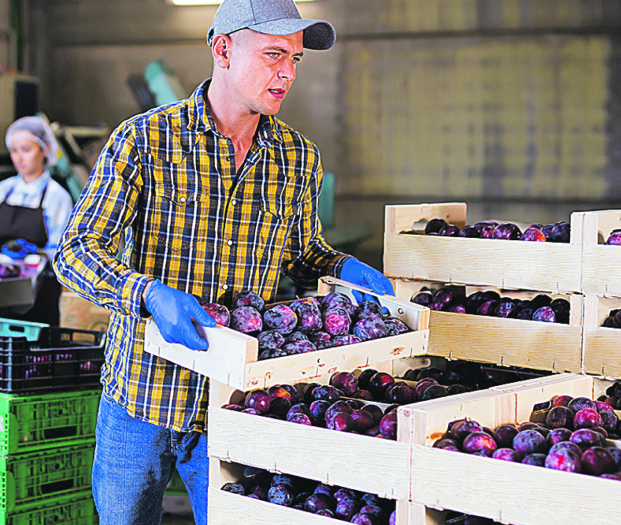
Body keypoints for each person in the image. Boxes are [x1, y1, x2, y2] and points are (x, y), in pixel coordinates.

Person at [53, 1, 394, 523]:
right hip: (140, 397)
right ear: (223, 49)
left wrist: (341, 267)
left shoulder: (297, 158)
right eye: (274, 54)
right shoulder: (144, 140)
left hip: (237, 403)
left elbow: (303, 252)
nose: (287, 73)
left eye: (295, 59)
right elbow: (76, 249)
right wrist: (147, 294)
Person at [0, 116, 73, 326]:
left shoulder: (58, 197)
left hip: (39, 294)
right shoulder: (1, 190)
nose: (19, 158)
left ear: (45, 149)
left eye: (26, 150)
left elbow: (63, 253)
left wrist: (36, 253)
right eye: (14, 150)